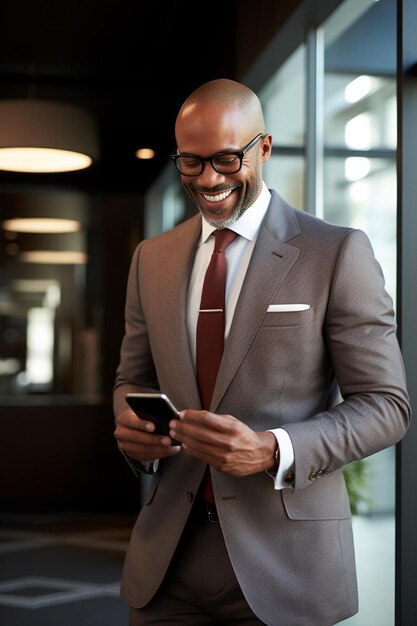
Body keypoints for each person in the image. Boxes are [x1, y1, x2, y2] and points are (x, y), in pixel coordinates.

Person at [113, 78, 411, 626]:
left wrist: (274, 450)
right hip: (165, 565)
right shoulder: (150, 259)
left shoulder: (336, 252)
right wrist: (133, 430)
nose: (209, 180)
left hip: (287, 567)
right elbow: (129, 380)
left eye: (227, 159)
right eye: (191, 163)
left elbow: (387, 405)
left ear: (264, 148)